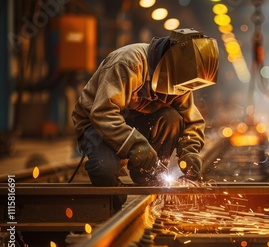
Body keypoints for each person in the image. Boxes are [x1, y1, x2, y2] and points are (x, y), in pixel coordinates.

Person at [72, 28, 219, 192]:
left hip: (134, 122)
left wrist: (189, 151)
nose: (181, 91)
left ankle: (149, 175)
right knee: (104, 169)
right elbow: (103, 114)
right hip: (97, 124)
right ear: (168, 63)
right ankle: (114, 204)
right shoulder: (128, 63)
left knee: (172, 119)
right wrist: (136, 145)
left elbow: (190, 121)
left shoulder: (180, 78)